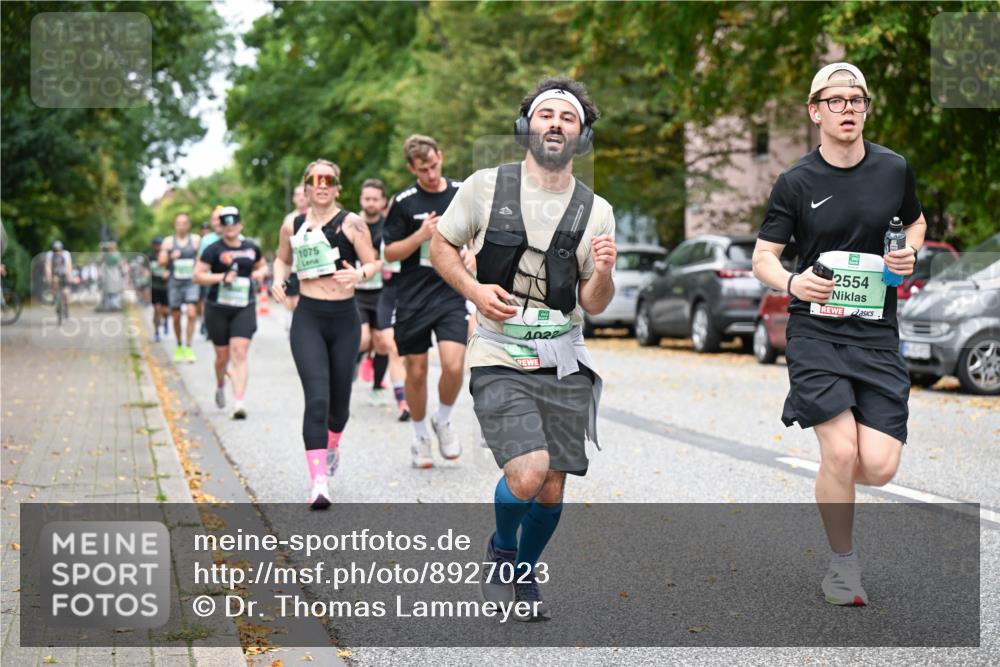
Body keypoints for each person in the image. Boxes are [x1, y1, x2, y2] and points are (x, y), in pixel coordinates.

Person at [432, 76, 616, 620]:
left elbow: (595, 301)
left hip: (562, 357)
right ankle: (502, 548)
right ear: (525, 126)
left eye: (568, 118)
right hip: (497, 353)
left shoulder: (596, 211)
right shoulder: (485, 187)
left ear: (580, 136)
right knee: (528, 473)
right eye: (546, 114)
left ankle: (524, 573)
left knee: (553, 487)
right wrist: (472, 290)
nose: (556, 124)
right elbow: (441, 245)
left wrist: (603, 271)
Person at [752, 63, 926, 606]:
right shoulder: (797, 181)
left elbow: (915, 223)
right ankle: (843, 567)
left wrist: (909, 253)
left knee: (877, 465)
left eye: (857, 100)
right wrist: (792, 282)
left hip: (876, 335)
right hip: (817, 335)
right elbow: (764, 257)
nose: (848, 109)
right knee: (840, 452)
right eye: (836, 100)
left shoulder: (894, 169)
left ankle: (841, 513)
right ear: (815, 111)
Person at [271, 160, 377, 509]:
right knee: (316, 398)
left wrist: (359, 275)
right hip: (309, 318)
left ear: (337, 187)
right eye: (314, 180)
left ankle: (332, 445)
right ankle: (319, 483)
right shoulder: (293, 224)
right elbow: (281, 259)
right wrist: (277, 279)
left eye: (328, 179)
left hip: (344, 319)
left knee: (339, 406)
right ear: (305, 187)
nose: (321, 185)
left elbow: (374, 262)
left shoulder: (352, 223)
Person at [383, 135, 469, 467]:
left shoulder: (462, 193)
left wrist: (472, 253)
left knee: (453, 364)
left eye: (434, 166)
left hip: (450, 292)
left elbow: (479, 233)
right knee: (416, 372)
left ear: (441, 157)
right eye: (423, 170)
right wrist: (420, 236)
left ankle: (443, 420)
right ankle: (420, 436)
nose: (431, 175)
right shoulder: (404, 202)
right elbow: (389, 253)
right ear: (412, 169)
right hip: (413, 297)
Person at [194, 206, 268, 419]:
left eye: (234, 223)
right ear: (221, 227)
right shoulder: (213, 249)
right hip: (217, 308)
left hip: (244, 306)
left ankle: (239, 402)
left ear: (240, 225)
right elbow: (197, 276)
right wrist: (221, 278)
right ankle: (220, 384)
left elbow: (262, 267)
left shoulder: (251, 247)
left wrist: (259, 274)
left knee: (240, 352)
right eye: (226, 224)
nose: (230, 228)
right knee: (222, 357)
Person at [354, 178, 409, 414]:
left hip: (383, 292)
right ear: (361, 200)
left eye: (375, 199)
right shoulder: (352, 225)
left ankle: (377, 385)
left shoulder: (390, 227)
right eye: (367, 198)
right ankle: (358, 357)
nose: (371, 202)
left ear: (383, 201)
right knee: (364, 339)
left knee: (383, 344)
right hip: (357, 292)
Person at [160, 213, 201, 362]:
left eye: (184, 223)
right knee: (176, 317)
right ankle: (179, 345)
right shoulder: (168, 242)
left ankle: (189, 347)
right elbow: (161, 262)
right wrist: (171, 256)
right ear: (175, 225)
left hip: (191, 282)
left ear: (188, 225)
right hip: (175, 283)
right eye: (179, 223)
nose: (181, 226)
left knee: (191, 313)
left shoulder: (196, 240)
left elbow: (203, 258)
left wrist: (198, 261)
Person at [279, 186, 309, 330]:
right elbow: (284, 246)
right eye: (297, 195)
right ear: (293, 199)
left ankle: (299, 326)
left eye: (303, 194)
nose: (301, 198)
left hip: (308, 267)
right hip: (293, 268)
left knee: (300, 301)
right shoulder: (290, 219)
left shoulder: (315, 216)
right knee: (290, 302)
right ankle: (291, 323)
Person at [147, 237, 170, 341]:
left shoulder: (167, 256)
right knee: (157, 309)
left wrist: (168, 274)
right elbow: (144, 269)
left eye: (159, 245)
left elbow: (172, 269)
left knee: (165, 310)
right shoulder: (149, 256)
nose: (157, 247)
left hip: (165, 287)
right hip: (154, 286)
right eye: (156, 245)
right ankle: (156, 332)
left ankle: (166, 321)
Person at [44, 240, 73, 320]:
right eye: (55, 250)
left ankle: (66, 311)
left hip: (64, 273)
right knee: (54, 281)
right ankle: (54, 298)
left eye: (58, 250)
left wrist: (69, 276)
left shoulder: (66, 254)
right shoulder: (49, 255)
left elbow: (68, 266)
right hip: (55, 273)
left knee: (66, 293)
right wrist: (48, 276)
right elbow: (48, 266)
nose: (57, 252)